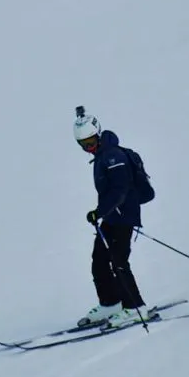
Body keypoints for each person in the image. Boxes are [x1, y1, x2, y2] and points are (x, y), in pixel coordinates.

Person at [73, 107, 152, 328]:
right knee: (99, 260)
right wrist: (101, 213)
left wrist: (99, 212)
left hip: (123, 216)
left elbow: (120, 190)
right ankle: (111, 303)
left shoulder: (114, 156)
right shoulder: (102, 156)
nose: (88, 148)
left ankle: (136, 308)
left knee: (119, 262)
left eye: (91, 142)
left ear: (98, 134)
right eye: (83, 145)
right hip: (111, 217)